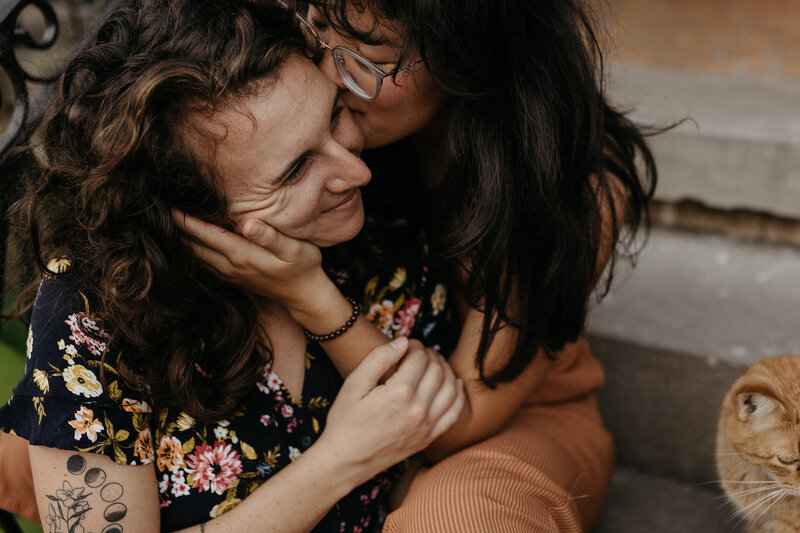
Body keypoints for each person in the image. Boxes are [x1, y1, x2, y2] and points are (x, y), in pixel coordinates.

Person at [178, 0, 659, 531]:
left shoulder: (565, 184)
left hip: (500, 422)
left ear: (468, 59)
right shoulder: (334, 123)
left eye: (368, 56)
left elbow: (460, 420)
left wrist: (310, 296)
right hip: (348, 418)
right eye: (317, 28)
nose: (330, 73)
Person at [0, 1, 465, 531]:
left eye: (334, 115)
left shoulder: (379, 233)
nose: (356, 170)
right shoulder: (93, 314)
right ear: (189, 211)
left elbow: (434, 446)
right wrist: (343, 459)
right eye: (294, 171)